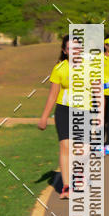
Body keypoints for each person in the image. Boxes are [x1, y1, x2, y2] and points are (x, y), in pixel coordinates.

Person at [37, 34, 73, 198]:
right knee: (65, 146)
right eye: (70, 48)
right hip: (64, 111)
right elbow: (53, 95)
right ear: (64, 51)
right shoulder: (59, 68)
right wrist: (44, 117)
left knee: (83, 151)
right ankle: (66, 186)